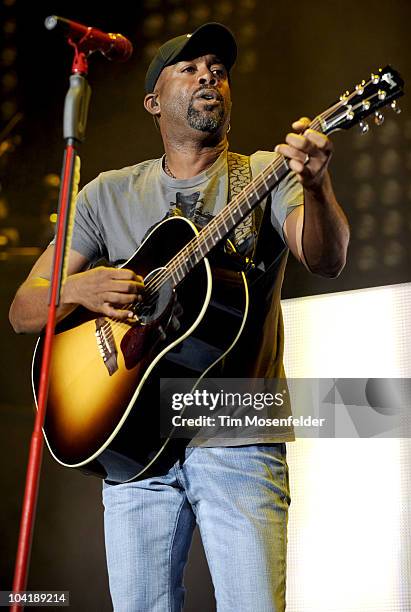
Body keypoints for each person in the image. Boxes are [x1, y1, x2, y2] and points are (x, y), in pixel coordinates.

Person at [9, 22, 349, 612]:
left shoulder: (265, 172)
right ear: (153, 101)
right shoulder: (106, 195)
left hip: (238, 433)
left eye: (217, 69)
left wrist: (316, 187)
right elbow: (23, 309)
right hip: (134, 450)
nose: (208, 76)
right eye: (189, 69)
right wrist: (80, 287)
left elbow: (327, 258)